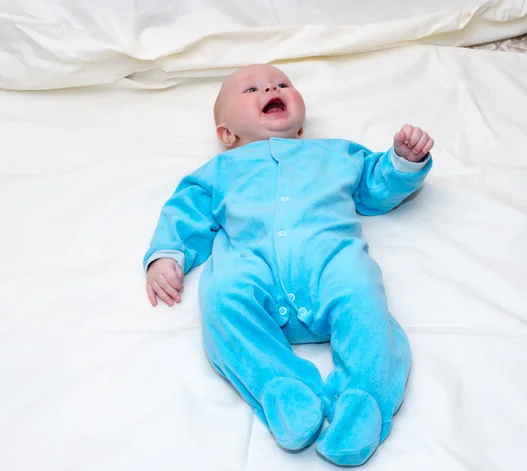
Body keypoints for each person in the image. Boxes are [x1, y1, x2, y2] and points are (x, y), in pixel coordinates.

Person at [143, 64, 433, 466]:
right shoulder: (218, 171)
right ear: (227, 135)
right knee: (222, 300)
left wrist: (402, 162)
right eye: (251, 89)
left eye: (282, 84)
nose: (271, 88)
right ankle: (282, 388)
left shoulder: (335, 152)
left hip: (329, 261)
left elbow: (374, 189)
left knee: (364, 301)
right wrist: (166, 254)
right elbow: (185, 211)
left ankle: (364, 398)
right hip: (250, 263)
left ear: (299, 123)